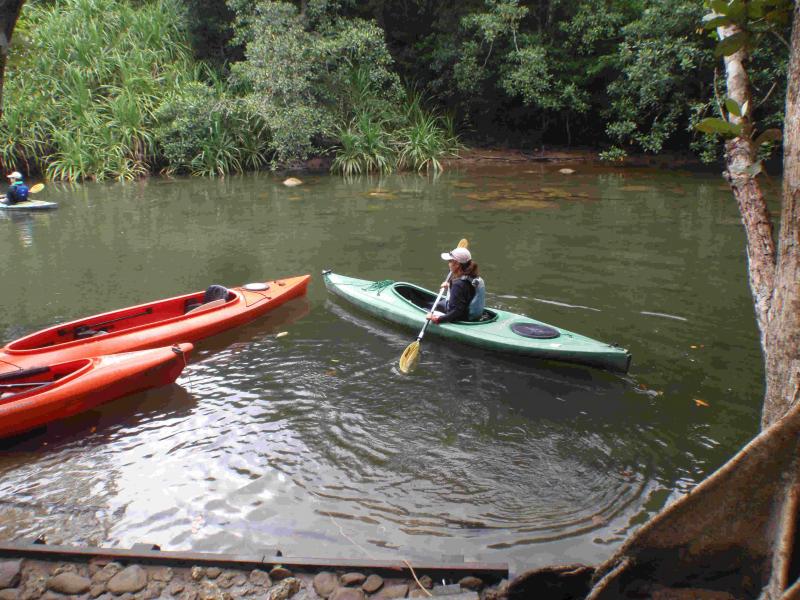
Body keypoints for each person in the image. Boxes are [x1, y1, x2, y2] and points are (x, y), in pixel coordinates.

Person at [427, 246, 485, 324]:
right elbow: (467, 291)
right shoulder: (473, 277)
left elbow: (457, 312)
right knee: (436, 304)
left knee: (427, 308)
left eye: (450, 261)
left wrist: (438, 319)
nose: (449, 264)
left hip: (462, 317)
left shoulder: (458, 284)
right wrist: (449, 286)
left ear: (457, 264)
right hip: (472, 315)